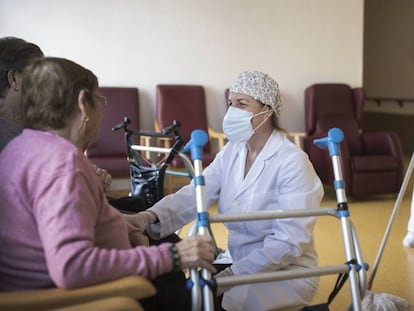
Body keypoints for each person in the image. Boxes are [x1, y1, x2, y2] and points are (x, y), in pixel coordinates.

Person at [0, 57, 217, 311]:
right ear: (83, 104)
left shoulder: (21, 147)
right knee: (194, 293)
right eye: (100, 102)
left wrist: (123, 227)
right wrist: (174, 256)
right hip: (81, 296)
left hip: (43, 284)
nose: (102, 112)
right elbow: (71, 266)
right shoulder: (62, 164)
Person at [127, 70, 325, 311]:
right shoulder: (234, 150)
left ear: (268, 110)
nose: (232, 112)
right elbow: (196, 192)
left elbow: (288, 242)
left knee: (193, 302)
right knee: (177, 291)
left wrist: (228, 277)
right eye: (231, 103)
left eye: (242, 104)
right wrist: (147, 216)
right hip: (239, 263)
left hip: (284, 273)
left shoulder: (292, 161)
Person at [0, 36, 112, 191]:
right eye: (36, 77)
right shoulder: (8, 139)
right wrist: (88, 187)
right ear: (15, 79)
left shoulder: (25, 132)